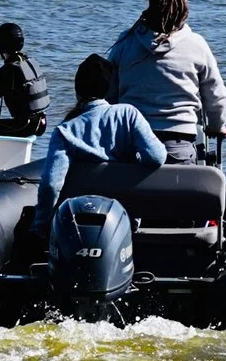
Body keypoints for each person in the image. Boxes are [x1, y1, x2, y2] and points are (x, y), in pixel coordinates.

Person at [105, 0, 226, 165]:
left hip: (131, 143)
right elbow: (216, 96)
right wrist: (216, 125)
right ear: (184, 3)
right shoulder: (196, 44)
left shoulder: (126, 41)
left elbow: (109, 94)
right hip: (178, 147)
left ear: (150, 0)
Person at [31, 54, 165, 235]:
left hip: (77, 221)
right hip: (124, 220)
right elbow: (156, 156)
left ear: (77, 90)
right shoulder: (128, 114)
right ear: (109, 89)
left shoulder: (65, 130)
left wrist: (40, 226)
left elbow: (51, 185)